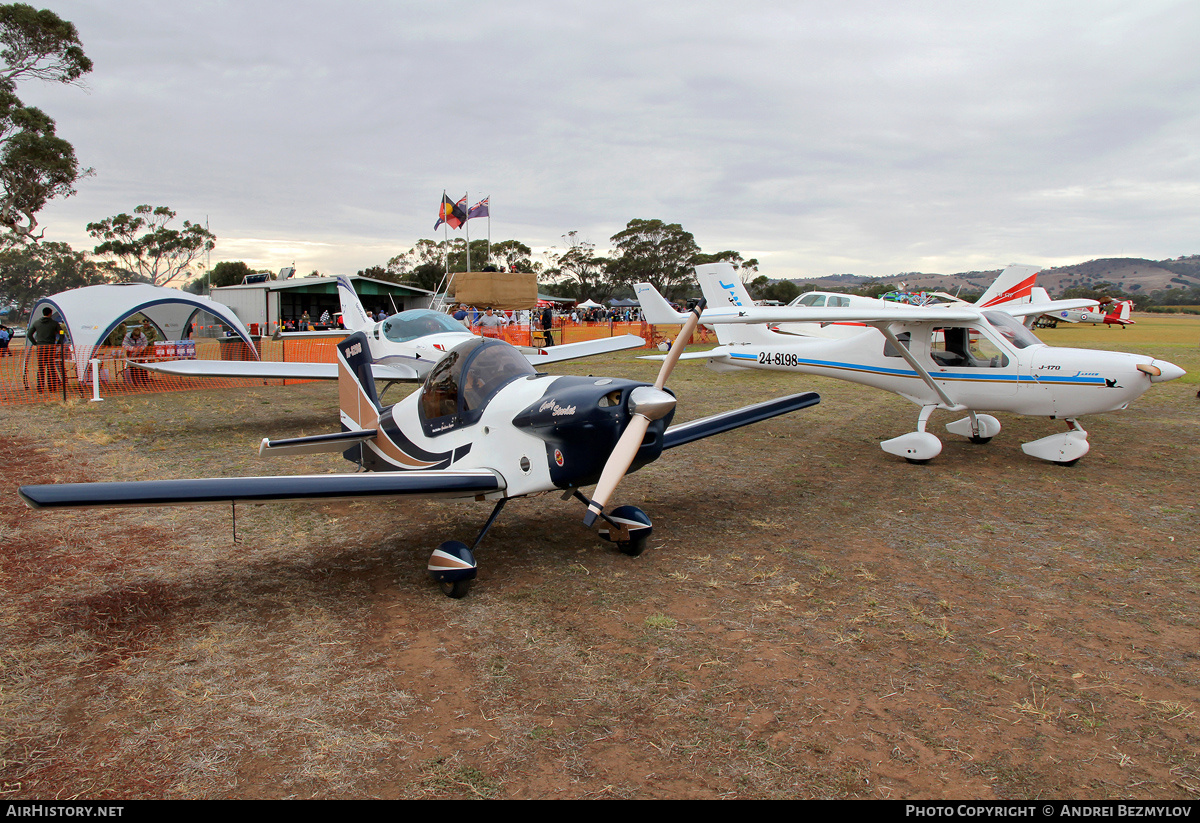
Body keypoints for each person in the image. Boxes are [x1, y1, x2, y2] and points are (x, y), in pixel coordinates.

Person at [29, 306, 63, 393]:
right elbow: (61, 333)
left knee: (41, 367)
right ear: (50, 313)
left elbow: (29, 334)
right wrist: (58, 342)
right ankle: (52, 387)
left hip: (40, 347)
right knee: (51, 367)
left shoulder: (36, 323)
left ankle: (40, 388)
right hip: (51, 347)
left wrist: (35, 343)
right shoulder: (55, 323)